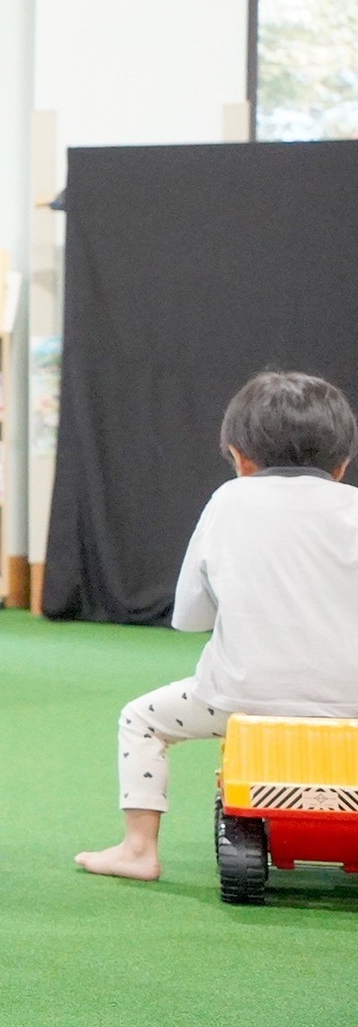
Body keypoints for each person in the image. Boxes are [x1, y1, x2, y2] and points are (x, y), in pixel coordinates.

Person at [77, 371, 358, 881]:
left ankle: (138, 850)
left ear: (238, 457)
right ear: (341, 465)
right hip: (354, 703)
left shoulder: (228, 502)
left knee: (140, 721)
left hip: (239, 700)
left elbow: (190, 618)